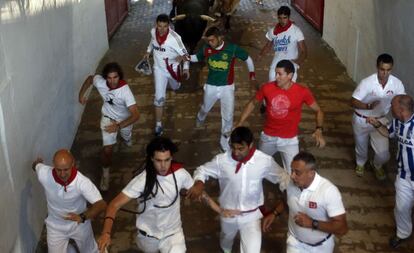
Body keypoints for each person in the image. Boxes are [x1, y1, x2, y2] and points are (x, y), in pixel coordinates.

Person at [187, 126, 289, 253]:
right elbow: (201, 170)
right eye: (233, 148)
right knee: (226, 242)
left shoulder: (264, 161)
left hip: (251, 216)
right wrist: (199, 183)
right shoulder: (221, 161)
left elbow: (282, 177)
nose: (236, 152)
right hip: (227, 213)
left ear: (250, 145)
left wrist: (290, 192)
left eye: (241, 149)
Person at [98, 137, 194, 253]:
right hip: (148, 235)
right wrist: (106, 233)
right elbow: (114, 205)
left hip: (173, 233)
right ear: (152, 159)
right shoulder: (142, 180)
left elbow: (197, 191)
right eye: (158, 160)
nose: (163, 166)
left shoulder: (181, 174)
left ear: (171, 158)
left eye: (167, 160)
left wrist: (218, 207)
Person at [236, 60, 325, 174]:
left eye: (280, 74)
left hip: (289, 141)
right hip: (268, 137)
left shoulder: (302, 92)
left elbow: (318, 110)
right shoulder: (267, 88)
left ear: (290, 75)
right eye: (275, 73)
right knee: (257, 168)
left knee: (294, 174)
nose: (276, 77)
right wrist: (240, 122)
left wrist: (319, 129)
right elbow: (253, 103)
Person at [182, 26, 257, 151]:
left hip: (227, 88)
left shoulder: (232, 49)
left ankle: (225, 141)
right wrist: (187, 57)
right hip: (211, 86)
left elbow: (248, 58)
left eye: (212, 40)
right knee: (205, 108)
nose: (210, 43)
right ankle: (200, 117)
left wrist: (252, 76)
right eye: (208, 41)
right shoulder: (206, 49)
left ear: (220, 38)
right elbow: (197, 57)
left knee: (228, 116)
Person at [262, 152, 348, 253]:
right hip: (295, 243)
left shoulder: (328, 191)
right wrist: (274, 213)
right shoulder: (291, 182)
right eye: (292, 170)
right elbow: (287, 200)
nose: (292, 176)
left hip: (321, 247)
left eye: (297, 172)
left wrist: (312, 223)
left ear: (311, 173)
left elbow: (342, 228)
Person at [79, 62, 140, 191]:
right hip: (107, 118)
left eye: (115, 77)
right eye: (109, 78)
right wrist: (81, 94)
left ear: (120, 77)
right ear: (105, 77)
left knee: (126, 136)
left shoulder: (125, 91)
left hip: (125, 120)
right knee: (107, 151)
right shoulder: (100, 82)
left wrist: (119, 126)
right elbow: (90, 79)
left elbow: (135, 115)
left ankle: (127, 138)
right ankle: (105, 175)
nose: (112, 81)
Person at [32, 149, 107, 253]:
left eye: (66, 169)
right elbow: (36, 166)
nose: (62, 174)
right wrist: (37, 162)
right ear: (53, 165)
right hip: (55, 225)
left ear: (73, 164)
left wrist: (83, 217)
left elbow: (101, 204)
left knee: (91, 251)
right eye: (58, 170)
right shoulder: (44, 174)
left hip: (79, 223)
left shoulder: (82, 182)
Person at [367, 95, 414, 248]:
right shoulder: (397, 123)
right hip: (403, 175)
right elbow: (388, 133)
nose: (389, 109)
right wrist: (376, 125)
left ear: (400, 109)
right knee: (401, 207)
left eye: (392, 106)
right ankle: (403, 233)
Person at [351, 53, 405, 180]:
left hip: (380, 120)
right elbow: (352, 101)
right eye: (382, 69)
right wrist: (368, 106)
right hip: (362, 119)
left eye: (388, 70)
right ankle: (360, 163)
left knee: (384, 154)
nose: (385, 73)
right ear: (377, 67)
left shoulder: (397, 84)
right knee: (361, 146)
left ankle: (376, 164)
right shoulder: (367, 82)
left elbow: (402, 101)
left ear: (392, 68)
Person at [143, 13, 190, 136]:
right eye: (159, 26)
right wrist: (148, 52)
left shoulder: (175, 38)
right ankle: (158, 124)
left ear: (169, 25)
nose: (162, 29)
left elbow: (186, 55)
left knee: (175, 87)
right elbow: (151, 42)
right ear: (156, 25)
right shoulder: (153, 32)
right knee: (159, 99)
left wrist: (185, 68)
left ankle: (174, 84)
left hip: (173, 70)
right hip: (158, 70)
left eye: (165, 26)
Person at [259, 5, 306, 82]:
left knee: (288, 90)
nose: (282, 21)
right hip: (276, 63)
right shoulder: (273, 31)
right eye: (280, 18)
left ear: (288, 17)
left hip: (290, 65)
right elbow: (268, 45)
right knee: (272, 85)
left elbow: (304, 51)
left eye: (285, 18)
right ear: (277, 17)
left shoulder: (296, 31)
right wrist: (260, 55)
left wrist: (296, 64)